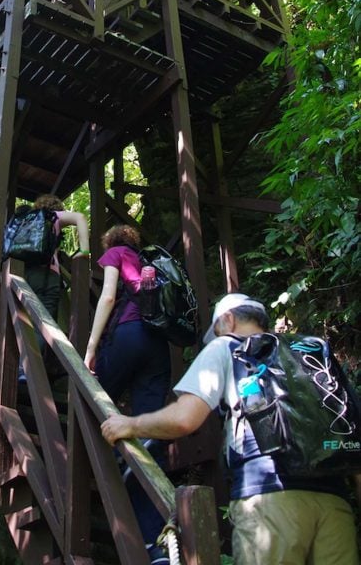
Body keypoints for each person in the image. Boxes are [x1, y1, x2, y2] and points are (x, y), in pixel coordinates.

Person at [100, 292, 361, 565]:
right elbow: (352, 432)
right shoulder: (312, 353)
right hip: (335, 502)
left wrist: (131, 424)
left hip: (268, 497)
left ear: (227, 320)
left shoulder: (226, 346)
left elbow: (184, 419)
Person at [84, 224, 171, 565]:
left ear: (111, 243)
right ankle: (156, 541)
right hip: (157, 345)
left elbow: (107, 296)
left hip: (128, 335)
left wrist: (90, 348)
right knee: (150, 433)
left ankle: (98, 463)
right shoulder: (151, 264)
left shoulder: (115, 254)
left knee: (92, 397)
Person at [23, 194, 90, 327]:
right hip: (47, 276)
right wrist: (85, 251)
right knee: (45, 326)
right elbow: (80, 217)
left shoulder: (28, 221)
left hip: (25, 274)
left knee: (25, 323)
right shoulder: (54, 216)